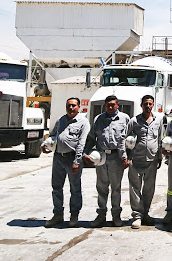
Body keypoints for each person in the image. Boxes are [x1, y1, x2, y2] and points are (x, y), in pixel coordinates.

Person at [43, 97, 90, 228]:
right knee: (56, 188)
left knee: (75, 189)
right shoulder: (61, 120)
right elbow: (53, 135)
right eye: (69, 105)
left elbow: (82, 143)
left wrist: (77, 161)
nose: (71, 108)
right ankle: (58, 215)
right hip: (58, 157)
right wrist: (45, 144)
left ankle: (74, 215)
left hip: (72, 159)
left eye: (74, 106)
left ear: (78, 107)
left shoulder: (83, 122)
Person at [84, 95, 130, 228]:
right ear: (105, 106)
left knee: (116, 188)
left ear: (118, 105)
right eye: (108, 105)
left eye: (112, 105)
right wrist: (86, 154)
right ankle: (101, 215)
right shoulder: (98, 119)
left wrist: (127, 157)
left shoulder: (124, 119)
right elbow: (91, 138)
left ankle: (116, 216)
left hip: (117, 158)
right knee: (101, 188)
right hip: (101, 157)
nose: (110, 107)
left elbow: (130, 139)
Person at [127, 95, 164, 229]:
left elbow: (160, 139)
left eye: (150, 104)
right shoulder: (134, 121)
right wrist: (127, 157)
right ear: (141, 105)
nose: (148, 106)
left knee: (149, 188)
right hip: (136, 159)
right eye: (145, 104)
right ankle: (137, 216)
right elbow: (126, 138)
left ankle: (146, 213)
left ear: (153, 105)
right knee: (135, 188)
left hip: (152, 160)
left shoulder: (158, 120)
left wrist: (159, 157)